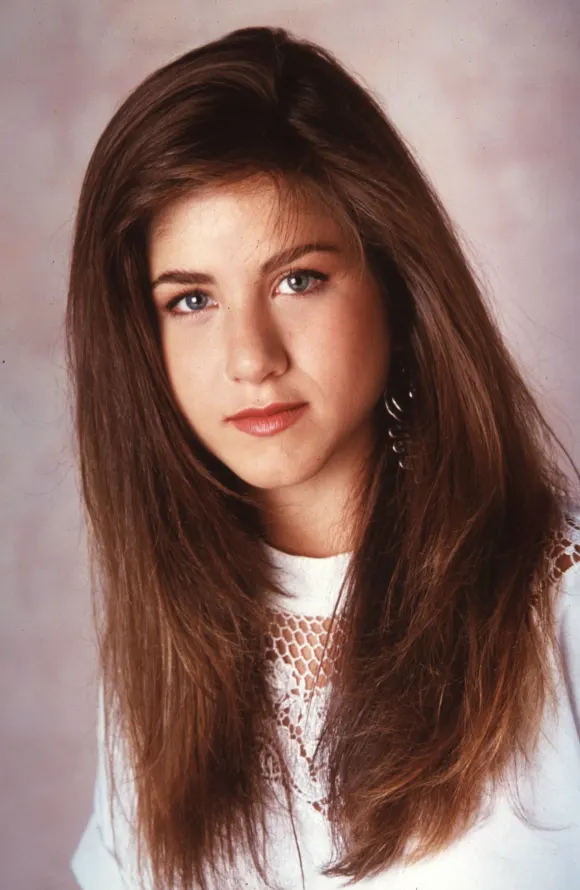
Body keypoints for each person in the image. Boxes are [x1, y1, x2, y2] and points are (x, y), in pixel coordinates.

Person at [66, 24, 580, 890]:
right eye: (191, 298)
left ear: (396, 283)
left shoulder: (558, 603)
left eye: (297, 279)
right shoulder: (165, 659)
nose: (250, 357)